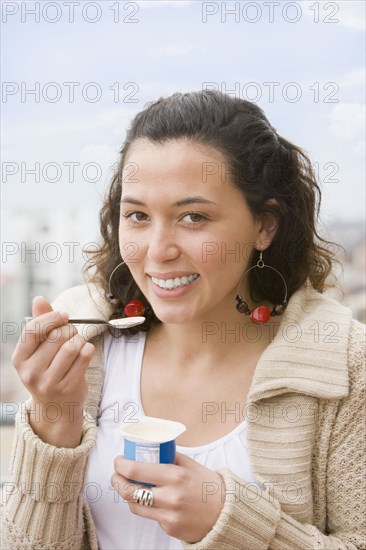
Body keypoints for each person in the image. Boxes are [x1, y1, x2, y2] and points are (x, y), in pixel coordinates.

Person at [2, 90, 365, 549]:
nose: (158, 250)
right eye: (137, 215)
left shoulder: (344, 366)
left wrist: (232, 525)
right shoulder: (87, 346)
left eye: (193, 216)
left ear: (264, 226)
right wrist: (56, 417)